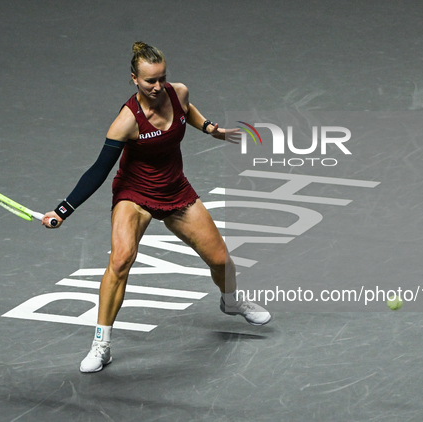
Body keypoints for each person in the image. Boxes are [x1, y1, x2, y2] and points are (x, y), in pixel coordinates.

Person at [42, 41, 271, 373]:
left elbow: (186, 111)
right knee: (120, 261)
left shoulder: (177, 92)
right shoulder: (126, 121)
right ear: (134, 79)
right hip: (134, 194)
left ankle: (231, 302)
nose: (158, 86)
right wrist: (63, 210)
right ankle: (101, 343)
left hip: (175, 188)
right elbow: (98, 170)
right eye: (150, 81)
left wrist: (210, 129)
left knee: (222, 261)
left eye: (162, 78)